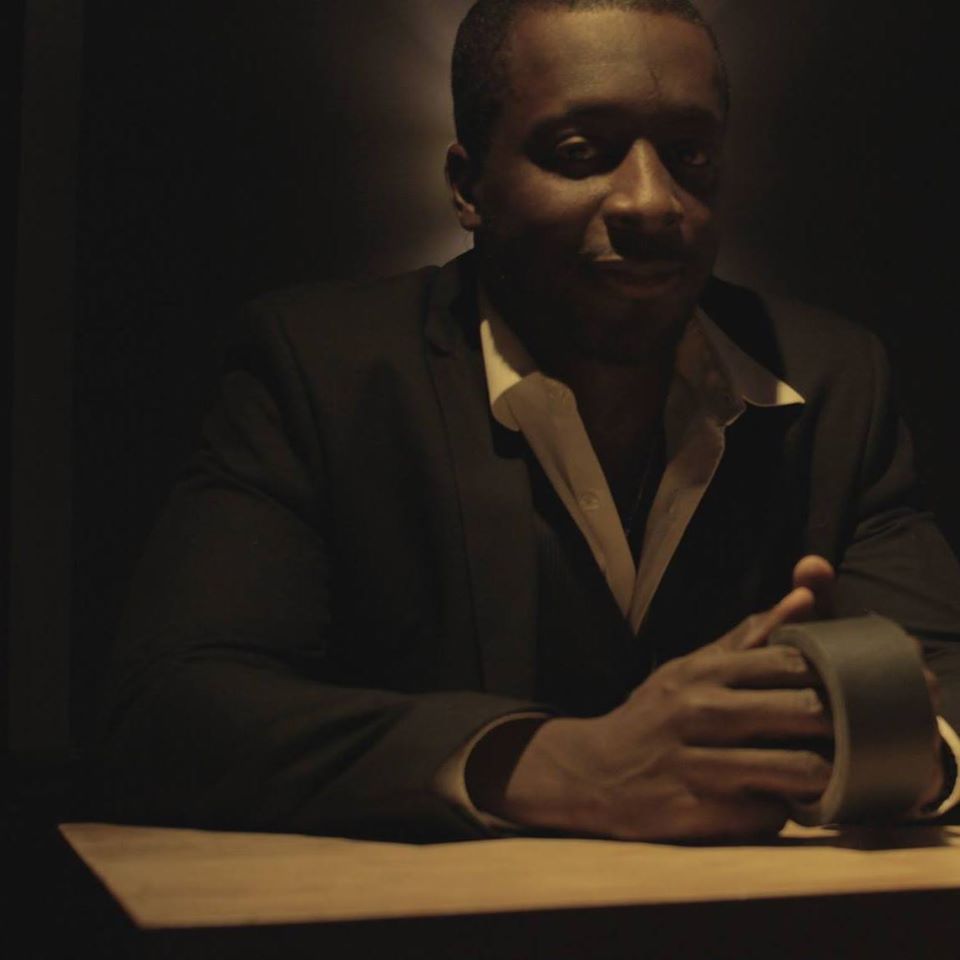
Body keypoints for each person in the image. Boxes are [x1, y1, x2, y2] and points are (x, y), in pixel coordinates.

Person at [102, 0, 960, 843]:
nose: (652, 201)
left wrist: (892, 747)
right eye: (581, 153)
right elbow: (171, 708)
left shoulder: (833, 380)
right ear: (467, 186)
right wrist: (563, 766)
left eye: (690, 154)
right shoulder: (321, 371)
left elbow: (947, 694)